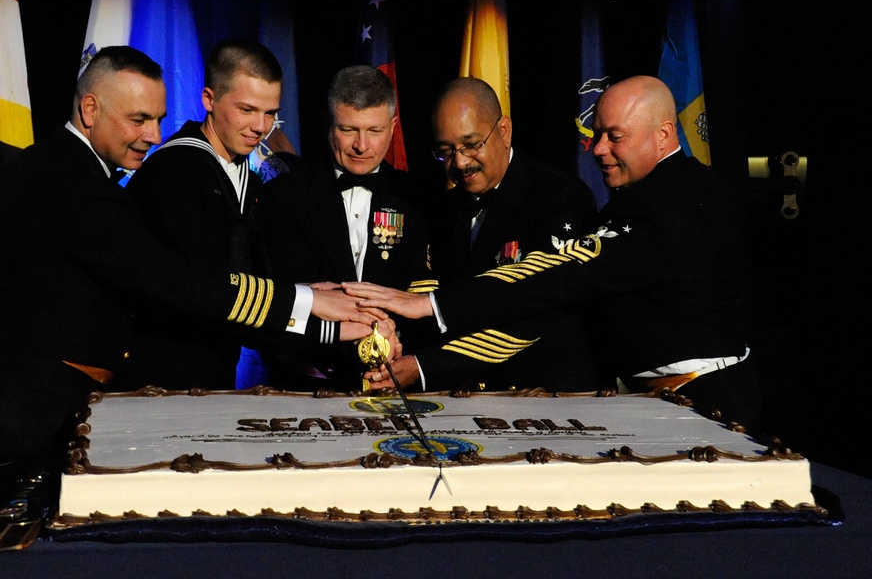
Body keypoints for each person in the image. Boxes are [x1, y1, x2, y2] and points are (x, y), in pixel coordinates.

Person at [0, 46, 384, 460]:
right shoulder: (71, 183)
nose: (152, 136)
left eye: (157, 120)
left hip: (52, 396)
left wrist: (306, 301)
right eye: (139, 120)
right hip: (38, 406)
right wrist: (310, 308)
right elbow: (175, 279)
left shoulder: (63, 169)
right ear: (91, 109)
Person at [349, 75, 762, 430]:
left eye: (614, 137)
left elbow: (554, 279)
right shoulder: (641, 197)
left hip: (706, 402)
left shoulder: (678, 202)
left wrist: (432, 309)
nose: (597, 149)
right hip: (653, 402)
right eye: (596, 134)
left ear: (664, 135)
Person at [402, 76, 600, 393]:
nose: (460, 162)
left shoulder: (560, 197)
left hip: (548, 397)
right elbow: (425, 295)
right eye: (446, 151)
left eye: (471, 144)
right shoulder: (441, 209)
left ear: (504, 131)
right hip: (462, 397)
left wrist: (428, 366)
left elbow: (532, 309)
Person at [259, 65, 436, 392]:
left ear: (393, 126)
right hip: (303, 386)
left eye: (374, 130)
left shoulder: (418, 199)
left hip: (395, 382)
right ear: (329, 124)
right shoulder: (283, 197)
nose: (362, 145)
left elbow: (423, 294)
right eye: (349, 129)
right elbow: (278, 299)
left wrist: (394, 343)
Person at [120, 39, 283, 390]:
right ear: (209, 99)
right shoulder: (174, 171)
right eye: (247, 109)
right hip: (158, 376)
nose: (261, 126)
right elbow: (199, 287)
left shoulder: (250, 181)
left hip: (217, 371)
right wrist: (311, 315)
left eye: (270, 113)